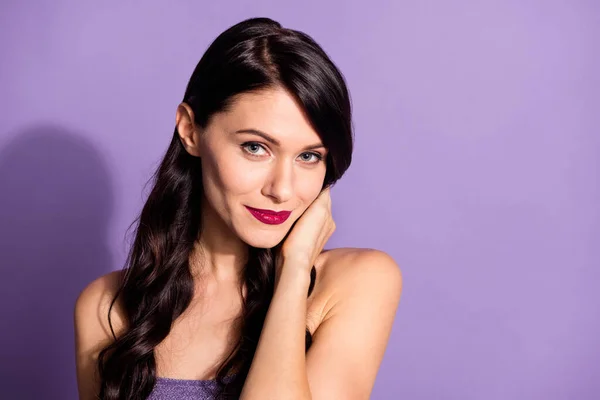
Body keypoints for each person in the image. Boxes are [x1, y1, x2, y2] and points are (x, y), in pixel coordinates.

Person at [74, 17, 403, 400]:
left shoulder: (353, 282)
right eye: (255, 147)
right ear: (190, 131)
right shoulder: (109, 306)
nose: (281, 189)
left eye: (309, 156)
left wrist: (294, 273)